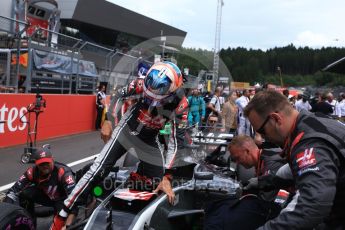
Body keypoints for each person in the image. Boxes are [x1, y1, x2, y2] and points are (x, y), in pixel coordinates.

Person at [51, 62, 189, 229]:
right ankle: (62, 215)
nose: (152, 103)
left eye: (156, 100)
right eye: (148, 97)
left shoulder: (181, 104)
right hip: (126, 130)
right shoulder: (139, 82)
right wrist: (108, 120)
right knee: (98, 170)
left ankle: (140, 197)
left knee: (162, 184)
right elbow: (117, 96)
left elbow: (176, 143)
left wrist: (167, 178)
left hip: (150, 139)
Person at [244, 90, 345, 229]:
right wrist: (264, 181)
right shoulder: (312, 122)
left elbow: (312, 206)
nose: (262, 138)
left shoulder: (310, 143)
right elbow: (295, 168)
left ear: (276, 119)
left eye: (262, 131)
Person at [204, 135, 286, 230]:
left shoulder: (271, 164)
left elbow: (268, 203)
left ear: (247, 151)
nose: (238, 163)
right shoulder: (262, 159)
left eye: (237, 158)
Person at [4, 146, 76, 226]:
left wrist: (68, 222)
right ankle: (29, 222)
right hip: (46, 196)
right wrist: (5, 212)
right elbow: (13, 191)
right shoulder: (32, 172)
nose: (44, 166)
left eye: (47, 163)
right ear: (36, 163)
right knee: (24, 193)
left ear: (52, 159)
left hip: (62, 201)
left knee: (58, 226)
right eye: (41, 164)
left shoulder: (63, 172)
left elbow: (74, 197)